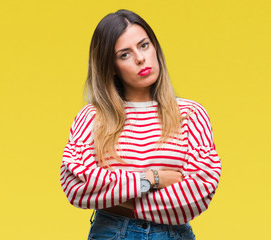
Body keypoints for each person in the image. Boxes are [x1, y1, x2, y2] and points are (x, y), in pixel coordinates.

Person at [59, 9, 221, 240]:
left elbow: (201, 189)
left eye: (143, 45)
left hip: (172, 235)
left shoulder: (190, 114)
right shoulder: (92, 117)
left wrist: (120, 198)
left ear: (155, 47)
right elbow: (77, 185)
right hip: (112, 233)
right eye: (124, 54)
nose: (140, 58)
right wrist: (152, 178)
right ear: (111, 66)